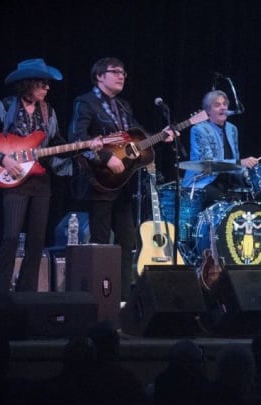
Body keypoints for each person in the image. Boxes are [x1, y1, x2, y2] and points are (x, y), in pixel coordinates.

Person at [0, 58, 102, 303]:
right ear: (28, 84)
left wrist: (85, 146)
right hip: (15, 181)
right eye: (43, 83)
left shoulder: (47, 111)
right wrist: (3, 160)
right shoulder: (6, 106)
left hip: (40, 181)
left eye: (48, 84)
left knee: (37, 241)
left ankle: (26, 298)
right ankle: (0, 300)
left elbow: (58, 143)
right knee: (10, 238)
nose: (47, 88)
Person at [68, 57, 174, 301]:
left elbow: (137, 139)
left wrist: (161, 136)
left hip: (123, 185)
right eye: (115, 71)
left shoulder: (124, 106)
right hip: (101, 181)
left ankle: (123, 300)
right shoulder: (85, 103)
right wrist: (105, 158)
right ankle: (97, 300)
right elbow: (77, 138)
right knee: (101, 242)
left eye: (123, 72)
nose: (121, 76)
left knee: (126, 243)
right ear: (99, 76)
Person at [182, 89, 258, 209]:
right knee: (225, 205)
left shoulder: (232, 129)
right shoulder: (199, 130)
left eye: (224, 104)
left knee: (253, 198)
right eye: (217, 105)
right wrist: (240, 163)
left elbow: (236, 163)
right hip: (202, 184)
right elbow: (208, 165)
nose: (223, 108)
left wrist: (248, 175)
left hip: (226, 183)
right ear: (208, 111)